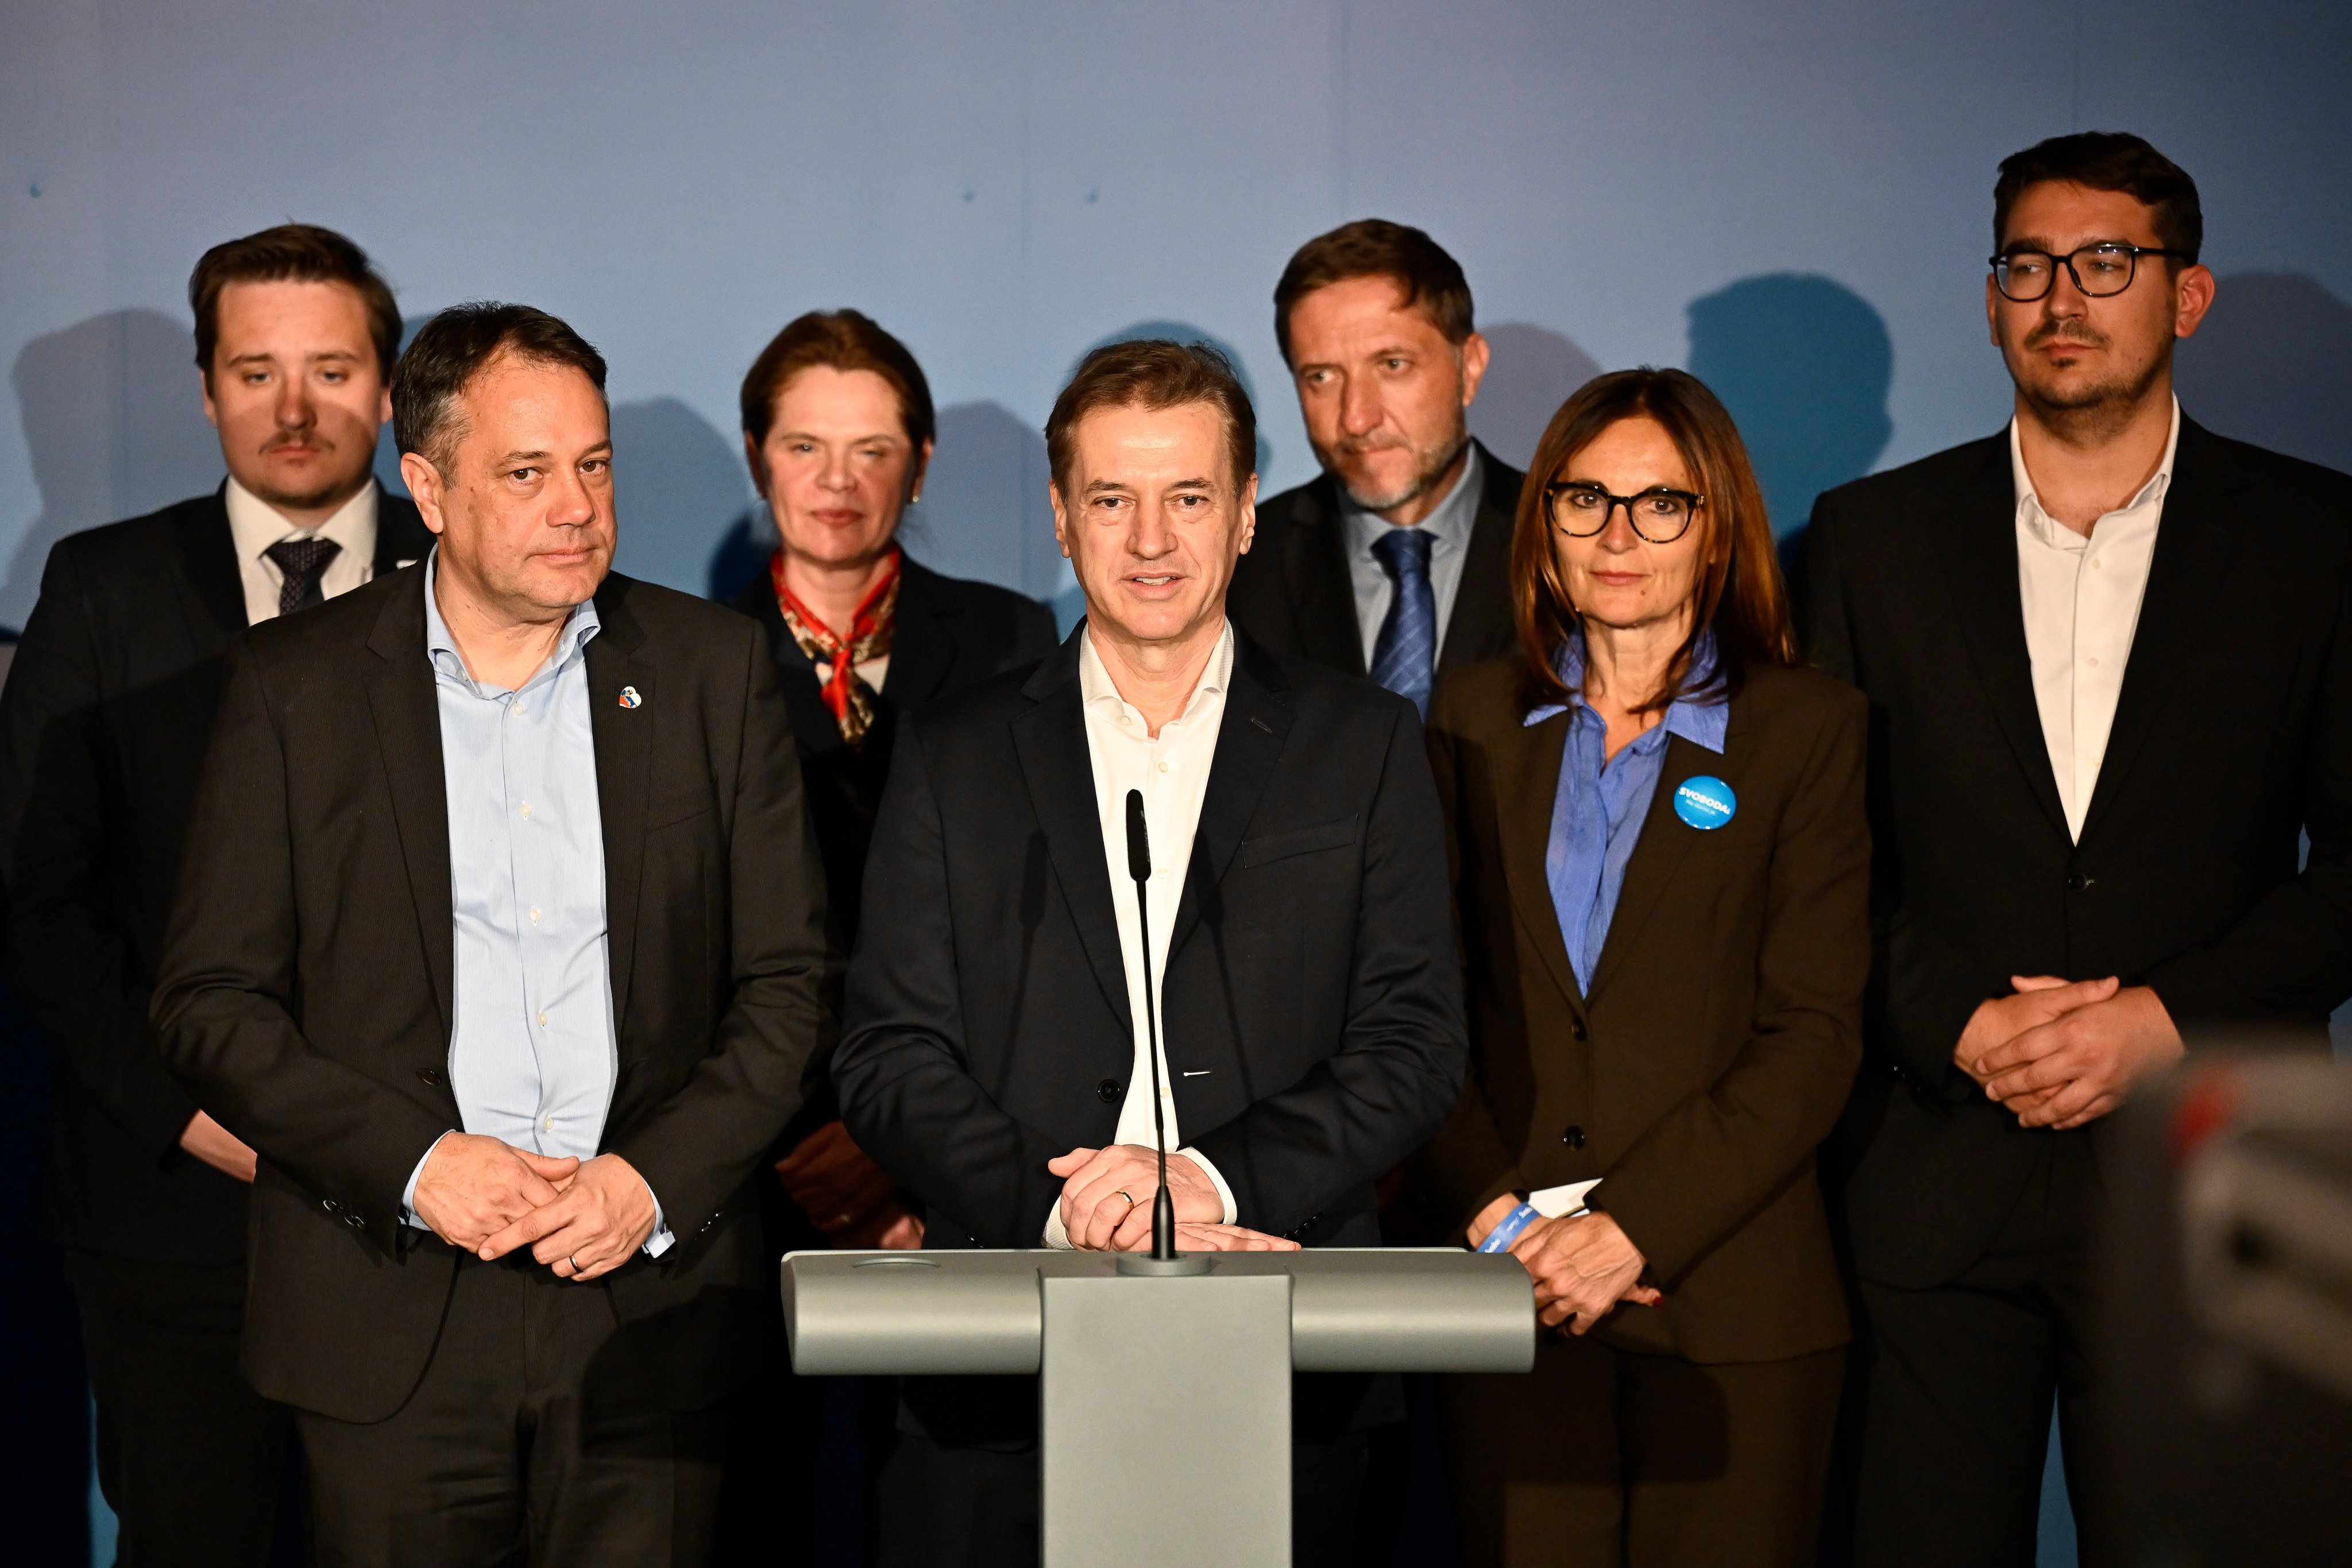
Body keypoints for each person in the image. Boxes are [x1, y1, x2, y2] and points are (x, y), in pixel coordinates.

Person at [148, 302, 835, 1566]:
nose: (574, 505)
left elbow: (788, 986)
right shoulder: (290, 689)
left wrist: (651, 1182)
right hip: (391, 1302)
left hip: (644, 1292)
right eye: (526, 472)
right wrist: (420, 1166)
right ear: (427, 487)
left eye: (593, 463)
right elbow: (212, 1002)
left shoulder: (708, 672)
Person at [1806, 132, 2352, 1565]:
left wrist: (2163, 1024)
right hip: (1932, 1177)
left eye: (2108, 263)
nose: (2064, 297)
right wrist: (1961, 1024)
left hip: (2215, 1184)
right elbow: (1819, 863)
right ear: (1990, 302)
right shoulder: (1867, 541)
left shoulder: (2321, 540)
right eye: (2029, 266)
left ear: (2189, 296)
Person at [832, 339, 1467, 1567]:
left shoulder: (1363, 744)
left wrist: (1216, 1182)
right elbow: (887, 1054)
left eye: (1187, 498)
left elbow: (1416, 1043)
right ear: (1062, 522)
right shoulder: (953, 753)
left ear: (1243, 518)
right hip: (1001, 1357)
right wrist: (1061, 1204)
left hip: (1286, 1345)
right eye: (1111, 500)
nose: (1150, 540)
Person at [0, 222, 433, 1566]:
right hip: (173, 1213)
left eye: (330, 369)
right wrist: (186, 1111)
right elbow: (42, 899)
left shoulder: (476, 570)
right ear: (205, 388)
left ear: (390, 385)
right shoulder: (102, 589)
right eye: (255, 372)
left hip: (426, 1214)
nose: (293, 409)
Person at [1420, 368, 1868, 1566]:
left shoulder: (1808, 733)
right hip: (1508, 1296)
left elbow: (1813, 1033)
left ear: (1715, 527)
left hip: (1730, 1310)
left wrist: (1631, 1229)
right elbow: (1419, 1013)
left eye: (1658, 505)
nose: (1616, 536)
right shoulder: (1461, 721)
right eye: (1583, 501)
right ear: (1543, 524)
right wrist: (1498, 1224)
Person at [716, 310, 1055, 1562]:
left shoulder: (1015, 641)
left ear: (917, 462)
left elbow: (1033, 925)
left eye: (871, 450)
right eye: (806, 445)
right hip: (754, 1162)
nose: (837, 482)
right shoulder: (685, 657)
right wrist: (807, 1134)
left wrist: (900, 1136)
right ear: (760, 457)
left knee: (951, 1513)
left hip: (954, 1152)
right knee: (757, 1511)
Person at [1227, 218, 1524, 714]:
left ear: (1468, 367)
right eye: (1321, 376)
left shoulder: (1570, 542)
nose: (1356, 417)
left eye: (1392, 366)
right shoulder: (1240, 565)